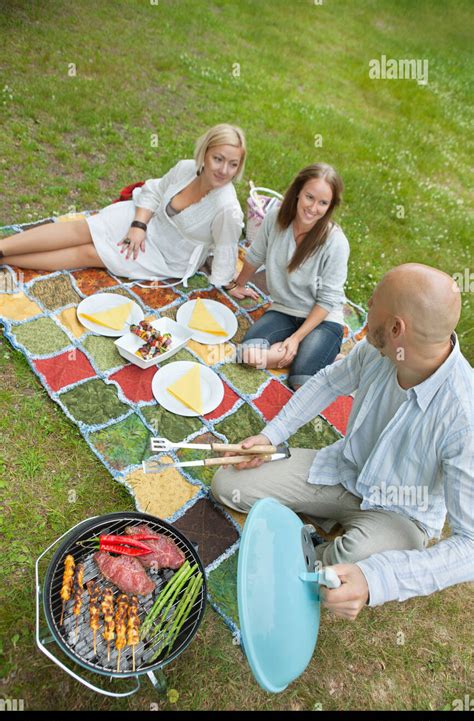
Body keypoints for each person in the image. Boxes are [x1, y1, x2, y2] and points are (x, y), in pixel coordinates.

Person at [211, 264, 474, 620]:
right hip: (343, 472)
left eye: (374, 301)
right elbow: (327, 383)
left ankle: (320, 560)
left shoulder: (464, 415)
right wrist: (270, 436)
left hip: (400, 514)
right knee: (228, 483)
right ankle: (316, 545)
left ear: (397, 328)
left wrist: (376, 579)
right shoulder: (378, 350)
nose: (367, 303)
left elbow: (469, 547)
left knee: (333, 576)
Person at [0, 123, 256, 294]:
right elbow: (154, 191)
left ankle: (7, 259)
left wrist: (229, 284)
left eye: (233, 164)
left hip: (169, 255)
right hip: (148, 220)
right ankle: (3, 246)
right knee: (86, 228)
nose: (224, 171)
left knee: (92, 253)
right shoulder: (186, 168)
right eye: (218, 159)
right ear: (205, 153)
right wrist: (138, 225)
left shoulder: (227, 208)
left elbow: (226, 249)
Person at [232, 163, 349, 389]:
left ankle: (320, 357)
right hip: (285, 310)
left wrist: (295, 339)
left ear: (330, 206)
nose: (313, 208)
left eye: (323, 203)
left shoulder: (336, 243)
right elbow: (256, 255)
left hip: (322, 319)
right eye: (309, 197)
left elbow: (326, 301)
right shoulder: (275, 218)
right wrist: (238, 284)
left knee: (300, 382)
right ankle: (321, 359)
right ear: (297, 192)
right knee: (248, 354)